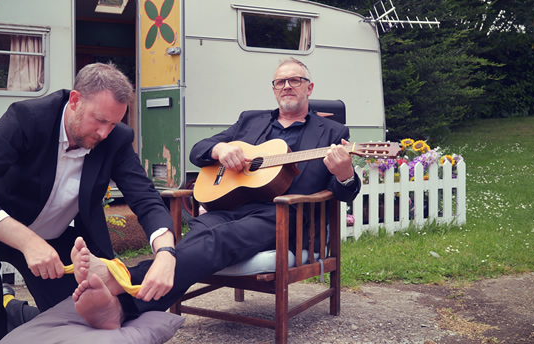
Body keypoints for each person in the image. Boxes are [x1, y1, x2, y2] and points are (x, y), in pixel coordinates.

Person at [0, 63, 177, 344]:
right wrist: (28, 242)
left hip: (59, 239)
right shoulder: (26, 118)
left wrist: (166, 252)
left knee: (81, 315)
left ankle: (9, 309)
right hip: (2, 229)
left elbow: (146, 199)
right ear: (75, 100)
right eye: (100, 120)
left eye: (114, 122)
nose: (105, 132)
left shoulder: (116, 139)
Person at [69, 57, 361, 323]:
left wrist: (345, 173)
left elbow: (344, 192)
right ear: (273, 90)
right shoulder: (251, 120)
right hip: (230, 205)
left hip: (282, 215)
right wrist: (221, 149)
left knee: (214, 240)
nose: (286, 86)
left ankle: (122, 282)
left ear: (309, 87)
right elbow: (198, 151)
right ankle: (119, 311)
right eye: (280, 81)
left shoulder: (333, 134)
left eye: (294, 80)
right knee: (198, 238)